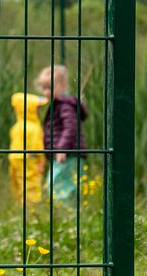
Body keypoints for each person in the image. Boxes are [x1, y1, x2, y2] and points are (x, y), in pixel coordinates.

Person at [37, 64, 87, 202]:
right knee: (63, 184)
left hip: (67, 153)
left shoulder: (64, 106)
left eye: (50, 87)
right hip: (65, 153)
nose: (46, 92)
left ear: (63, 86)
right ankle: (66, 212)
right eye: (44, 88)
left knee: (59, 184)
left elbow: (70, 128)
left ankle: (64, 213)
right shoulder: (58, 105)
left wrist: (62, 149)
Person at [6, 91, 46, 204]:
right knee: (31, 186)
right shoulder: (33, 128)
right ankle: (32, 209)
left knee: (18, 187)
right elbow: (36, 149)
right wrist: (40, 162)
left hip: (15, 159)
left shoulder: (17, 126)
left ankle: (21, 207)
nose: (39, 111)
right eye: (36, 108)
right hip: (29, 161)